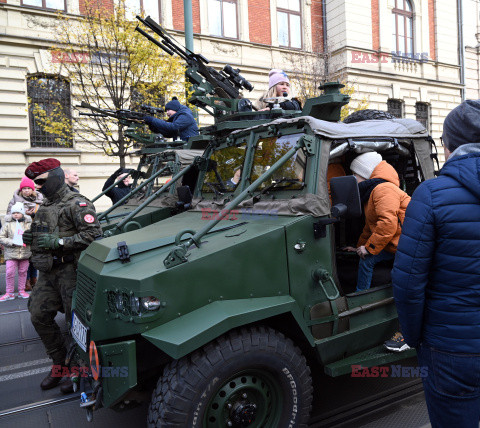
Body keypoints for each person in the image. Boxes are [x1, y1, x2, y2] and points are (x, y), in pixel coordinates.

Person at [392, 100, 480, 428]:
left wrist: (415, 338)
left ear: (448, 145)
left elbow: (408, 283)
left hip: (450, 351)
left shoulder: (430, 195)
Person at [22, 158, 102, 393]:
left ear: (55, 177)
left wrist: (60, 242)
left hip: (70, 272)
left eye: (41, 182)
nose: (37, 187)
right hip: (48, 272)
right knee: (37, 314)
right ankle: (59, 364)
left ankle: (78, 368)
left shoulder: (78, 204)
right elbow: (43, 232)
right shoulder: (45, 205)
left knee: (75, 323)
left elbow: (94, 234)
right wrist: (32, 238)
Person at [343, 152, 410, 293]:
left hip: (402, 245)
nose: (353, 178)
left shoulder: (383, 189)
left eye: (355, 174)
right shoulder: (373, 191)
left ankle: (361, 295)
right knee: (366, 258)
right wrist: (359, 247)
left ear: (365, 173)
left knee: (367, 260)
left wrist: (368, 249)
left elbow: (387, 224)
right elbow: (370, 226)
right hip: (393, 242)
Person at [7, 176, 43, 291]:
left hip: (37, 233)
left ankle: (34, 279)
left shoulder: (41, 200)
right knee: (25, 258)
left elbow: (45, 216)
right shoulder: (15, 200)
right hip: (21, 233)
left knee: (35, 258)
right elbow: (9, 217)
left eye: (28, 188)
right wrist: (24, 215)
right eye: (24, 188)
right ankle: (26, 282)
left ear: (33, 189)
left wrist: (34, 215)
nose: (26, 190)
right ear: (21, 190)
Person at [0, 202, 32, 301]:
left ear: (22, 213)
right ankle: (9, 292)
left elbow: (32, 235)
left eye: (18, 212)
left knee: (23, 272)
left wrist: (28, 240)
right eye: (14, 213)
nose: (16, 214)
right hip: (11, 253)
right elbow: (1, 237)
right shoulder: (7, 224)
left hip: (25, 252)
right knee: (9, 272)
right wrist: (12, 242)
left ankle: (21, 291)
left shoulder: (28, 224)